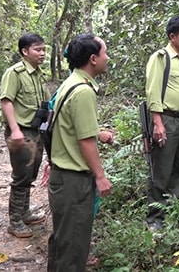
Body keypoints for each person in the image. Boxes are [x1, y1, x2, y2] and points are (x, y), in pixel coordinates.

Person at [47, 33, 114, 272]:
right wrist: (100, 175)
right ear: (93, 59)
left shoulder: (70, 82)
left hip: (62, 178)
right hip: (73, 181)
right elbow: (85, 141)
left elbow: (69, 125)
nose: (108, 58)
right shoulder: (83, 91)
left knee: (63, 240)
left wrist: (99, 132)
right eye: (105, 53)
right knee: (74, 245)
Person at [0, 33, 51, 238]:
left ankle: (25, 212)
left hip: (36, 130)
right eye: (38, 49)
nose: (42, 53)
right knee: (21, 175)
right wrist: (14, 130)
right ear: (25, 51)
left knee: (31, 173)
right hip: (21, 131)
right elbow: (6, 101)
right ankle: (15, 221)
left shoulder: (39, 74)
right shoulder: (15, 73)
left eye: (43, 49)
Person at [145, 16, 179, 231]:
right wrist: (158, 122)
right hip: (167, 119)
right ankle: (155, 217)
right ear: (172, 37)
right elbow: (153, 90)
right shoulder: (161, 58)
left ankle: (173, 209)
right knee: (162, 168)